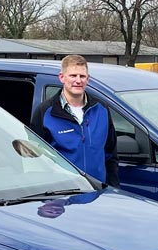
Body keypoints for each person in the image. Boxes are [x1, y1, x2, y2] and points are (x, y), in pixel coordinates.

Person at [31, 54, 119, 186]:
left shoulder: (101, 110)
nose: (78, 80)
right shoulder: (45, 112)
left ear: (87, 79)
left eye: (82, 76)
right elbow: (36, 159)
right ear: (62, 77)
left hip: (97, 193)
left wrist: (113, 188)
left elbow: (110, 154)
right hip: (62, 195)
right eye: (73, 76)